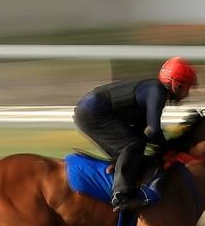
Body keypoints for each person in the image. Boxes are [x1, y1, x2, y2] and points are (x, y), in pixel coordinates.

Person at [73, 57, 198, 212]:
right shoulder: (157, 91)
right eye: (188, 87)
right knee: (131, 144)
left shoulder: (154, 91)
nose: (188, 93)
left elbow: (143, 131)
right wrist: (168, 147)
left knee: (137, 143)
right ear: (176, 84)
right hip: (92, 112)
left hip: (93, 110)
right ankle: (122, 195)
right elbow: (153, 131)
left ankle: (121, 169)